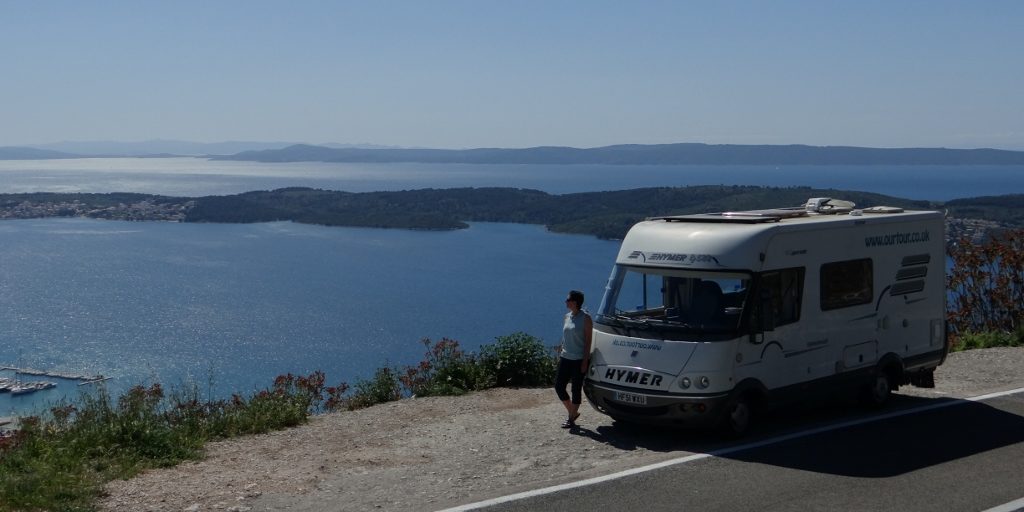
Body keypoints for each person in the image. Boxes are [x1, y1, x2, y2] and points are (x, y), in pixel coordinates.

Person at [555, 289, 592, 428]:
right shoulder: (567, 316)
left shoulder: (586, 319)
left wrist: (585, 361)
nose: (565, 302)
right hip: (565, 357)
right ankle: (572, 411)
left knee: (576, 389)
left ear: (575, 302)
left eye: (568, 300)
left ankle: (570, 419)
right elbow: (565, 336)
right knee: (559, 386)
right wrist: (561, 348)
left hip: (578, 359)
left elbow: (588, 341)